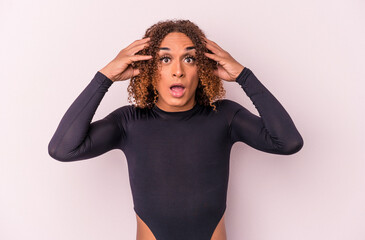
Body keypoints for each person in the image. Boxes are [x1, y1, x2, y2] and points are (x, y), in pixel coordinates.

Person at [48, 19, 304, 240]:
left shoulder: (224, 116)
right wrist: (105, 77)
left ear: (203, 68)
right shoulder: (129, 122)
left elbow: (288, 142)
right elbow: (63, 149)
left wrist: (244, 77)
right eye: (165, 59)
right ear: (149, 68)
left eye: (190, 59)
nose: (178, 71)